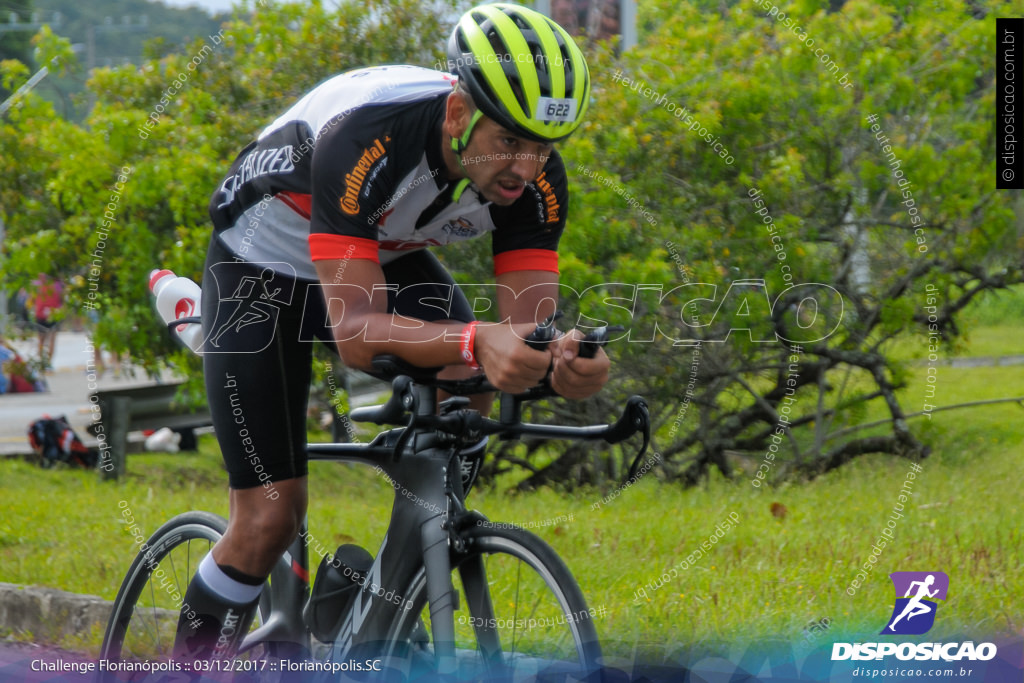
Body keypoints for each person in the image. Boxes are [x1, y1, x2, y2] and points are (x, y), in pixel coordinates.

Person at [173, 2, 607, 661]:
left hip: (374, 251)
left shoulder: (538, 180)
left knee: (474, 389)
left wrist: (565, 364)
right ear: (459, 113)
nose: (527, 166)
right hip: (259, 262)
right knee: (269, 517)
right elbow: (355, 334)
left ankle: (384, 597)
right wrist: (472, 342)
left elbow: (523, 334)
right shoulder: (369, 134)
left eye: (544, 145)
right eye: (511, 140)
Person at [31, 274, 63, 370]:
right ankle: (47, 364)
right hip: (52, 313)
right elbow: (62, 300)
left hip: (43, 314)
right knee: (50, 339)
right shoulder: (57, 284)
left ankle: (43, 364)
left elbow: (32, 300)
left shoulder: (36, 284)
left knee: (42, 340)